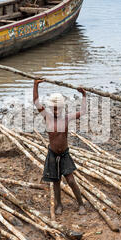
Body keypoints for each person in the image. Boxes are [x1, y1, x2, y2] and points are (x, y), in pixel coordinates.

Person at [33, 79, 87, 215]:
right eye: (54, 108)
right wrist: (35, 84)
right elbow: (36, 102)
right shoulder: (48, 117)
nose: (56, 110)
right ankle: (59, 205)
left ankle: (81, 204)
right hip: (52, 154)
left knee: (71, 180)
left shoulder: (66, 118)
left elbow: (83, 112)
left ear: (63, 108)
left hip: (64, 154)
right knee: (56, 182)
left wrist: (84, 96)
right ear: (51, 108)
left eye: (59, 108)